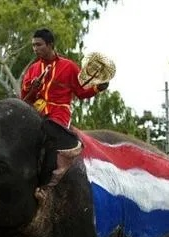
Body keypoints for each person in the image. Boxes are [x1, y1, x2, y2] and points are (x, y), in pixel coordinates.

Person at [20, 28, 109, 186]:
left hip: (59, 112)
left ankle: (47, 183)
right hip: (37, 110)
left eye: (39, 45)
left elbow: (81, 93)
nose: (35, 49)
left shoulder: (69, 67)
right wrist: (31, 88)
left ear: (50, 45)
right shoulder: (33, 70)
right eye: (33, 45)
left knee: (50, 132)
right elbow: (25, 99)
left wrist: (96, 89)